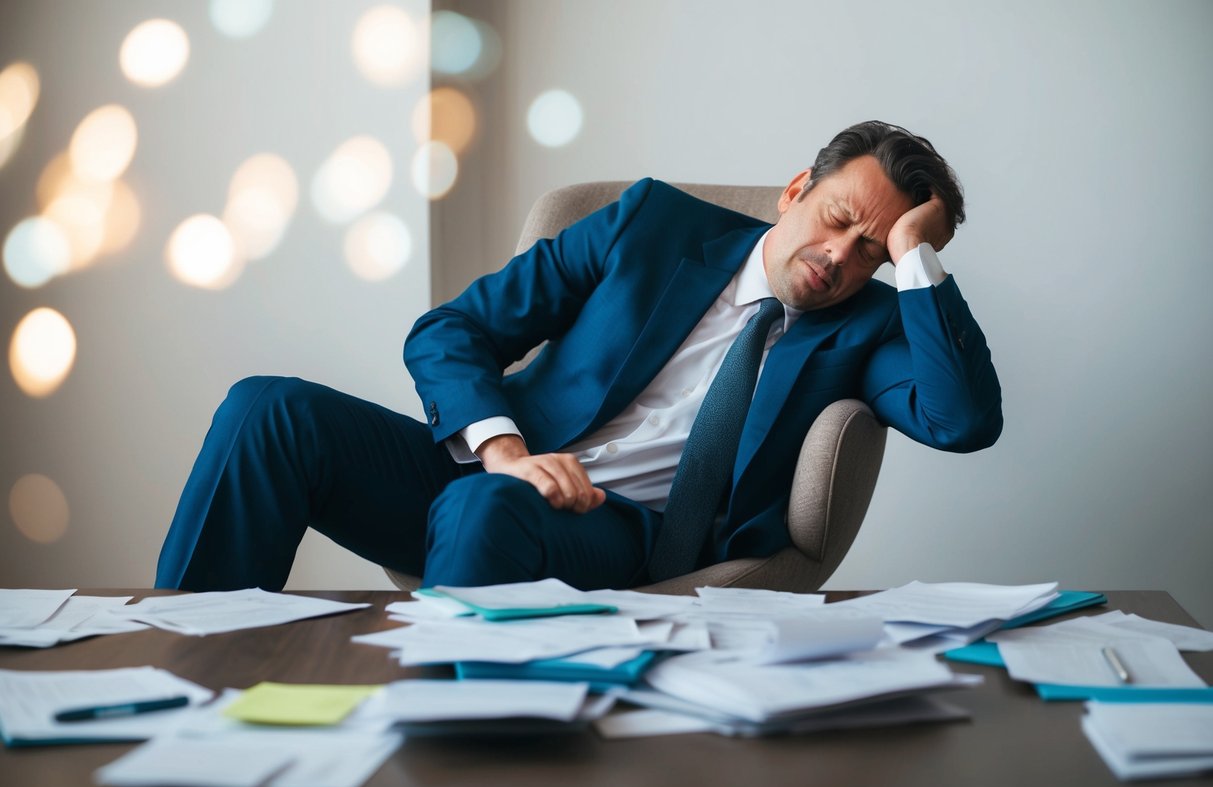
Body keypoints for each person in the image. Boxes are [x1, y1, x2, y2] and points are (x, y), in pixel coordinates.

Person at [155, 120, 1002, 592]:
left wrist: (915, 257)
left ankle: (443, 750)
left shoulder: (876, 322)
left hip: (622, 529)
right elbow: (452, 329)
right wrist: (505, 453)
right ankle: (184, 676)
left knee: (484, 513)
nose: (840, 255)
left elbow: (961, 422)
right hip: (493, 468)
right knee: (266, 409)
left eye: (872, 247)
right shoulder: (652, 225)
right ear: (794, 192)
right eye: (835, 218)